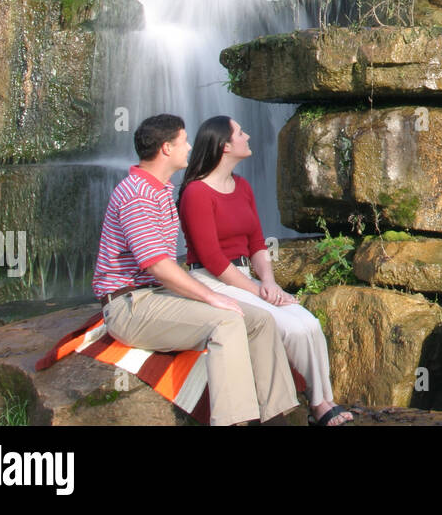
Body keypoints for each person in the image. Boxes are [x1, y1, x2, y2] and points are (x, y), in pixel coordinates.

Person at [92, 113, 299, 426]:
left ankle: (277, 418)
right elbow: (157, 265)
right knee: (226, 322)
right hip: (130, 305)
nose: (190, 147)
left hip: (159, 296)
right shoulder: (137, 192)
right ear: (165, 148)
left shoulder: (160, 190)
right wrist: (210, 297)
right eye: (183, 141)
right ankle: (235, 421)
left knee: (259, 320)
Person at [178, 115, 354, 427]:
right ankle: (315, 404)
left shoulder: (242, 186)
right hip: (211, 280)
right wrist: (259, 292)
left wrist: (270, 282)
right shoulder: (196, 193)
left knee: (309, 323)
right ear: (225, 145)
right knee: (290, 327)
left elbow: (257, 243)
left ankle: (324, 399)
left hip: (245, 277)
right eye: (240, 133)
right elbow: (213, 259)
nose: (247, 136)